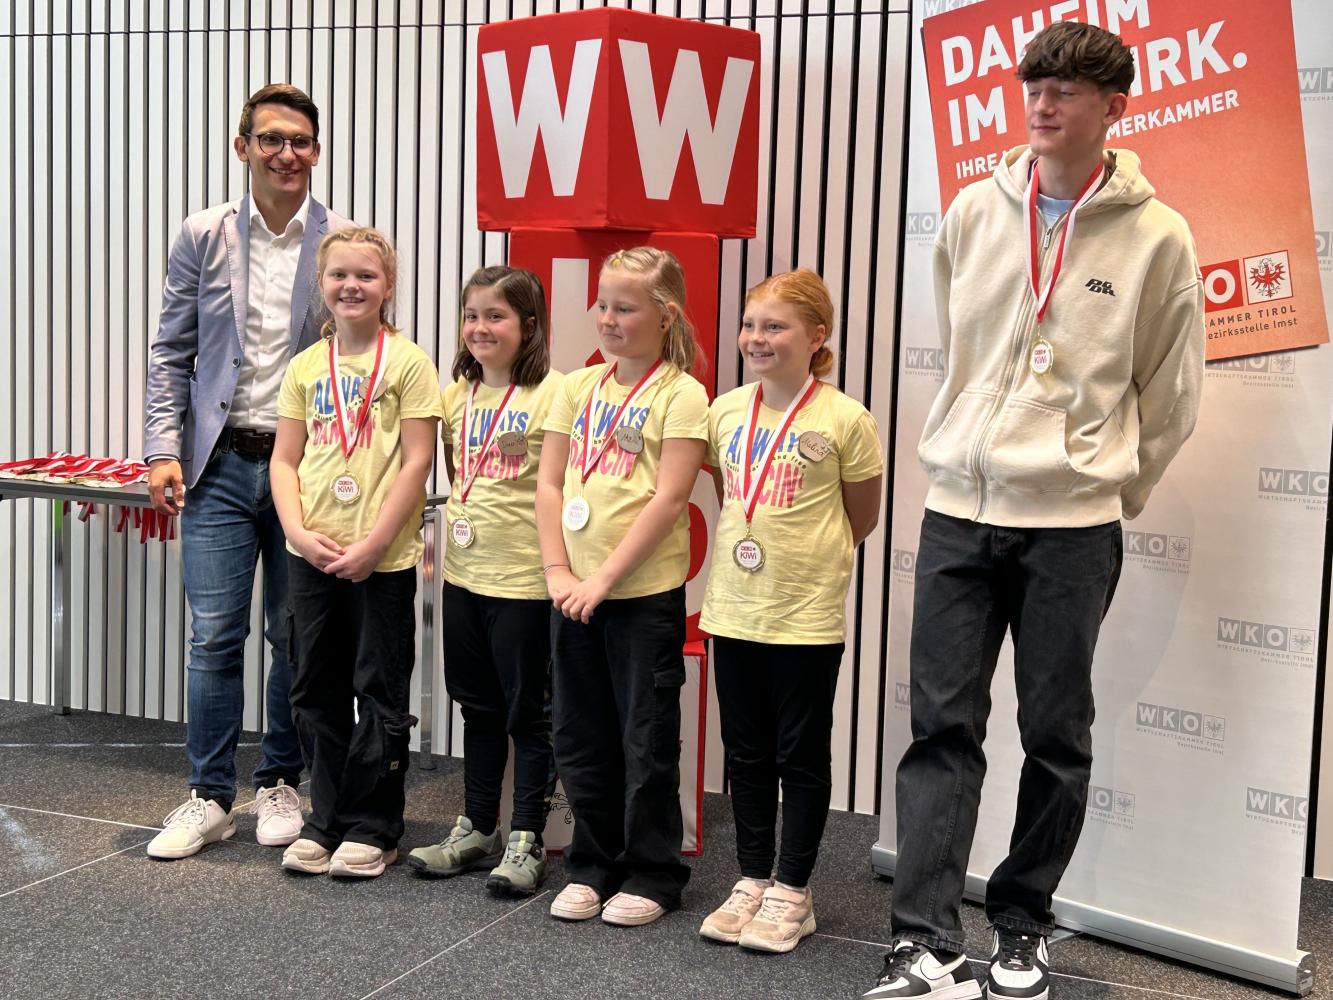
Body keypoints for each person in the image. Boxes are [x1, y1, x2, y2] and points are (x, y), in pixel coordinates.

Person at [860, 22, 1204, 1000]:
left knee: (1055, 735)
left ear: (1114, 107)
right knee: (941, 729)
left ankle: (1021, 923)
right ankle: (925, 942)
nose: (1042, 104)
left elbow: (1172, 390)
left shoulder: (1157, 235)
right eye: (1034, 86)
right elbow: (960, 347)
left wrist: (1105, 483)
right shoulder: (975, 210)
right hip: (959, 512)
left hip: (1072, 527)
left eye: (1066, 90)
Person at [143, 84, 352, 860]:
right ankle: (207, 796)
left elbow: (359, 354)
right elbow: (171, 352)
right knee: (214, 637)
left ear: (316, 152)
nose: (285, 154)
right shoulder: (203, 234)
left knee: (293, 637)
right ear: (243, 148)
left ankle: (279, 780)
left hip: (307, 469)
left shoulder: (339, 240)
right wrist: (162, 448)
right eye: (270, 139)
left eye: (299, 141)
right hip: (220, 465)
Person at [697, 269, 882, 954]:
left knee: (799, 755)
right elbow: (730, 494)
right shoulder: (724, 412)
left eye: (774, 326)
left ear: (816, 336)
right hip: (733, 609)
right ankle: (752, 877)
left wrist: (807, 560)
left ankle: (793, 890)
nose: (756, 337)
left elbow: (861, 516)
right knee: (745, 753)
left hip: (804, 615)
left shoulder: (845, 418)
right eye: (750, 325)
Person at [535, 247, 708, 927]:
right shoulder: (575, 387)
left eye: (624, 308)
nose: (607, 318)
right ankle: (591, 863)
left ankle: (652, 872)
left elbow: (669, 500)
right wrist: (558, 571)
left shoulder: (681, 394)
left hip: (639, 599)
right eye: (602, 305)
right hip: (571, 594)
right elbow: (549, 485)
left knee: (646, 739)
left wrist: (603, 579)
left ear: (665, 316)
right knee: (580, 735)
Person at [269, 227, 442, 878]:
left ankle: (374, 825)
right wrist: (297, 532)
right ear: (321, 284)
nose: (351, 286)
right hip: (311, 555)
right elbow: (285, 461)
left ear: (387, 286)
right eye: (339, 275)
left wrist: (374, 544)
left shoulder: (408, 363)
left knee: (378, 689)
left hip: (382, 559)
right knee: (314, 687)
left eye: (366, 276)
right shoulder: (305, 367)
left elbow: (418, 461)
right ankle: (326, 818)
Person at [406, 267, 563, 896]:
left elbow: (556, 488)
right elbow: (457, 473)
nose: (480, 328)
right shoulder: (455, 396)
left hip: (526, 583)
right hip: (464, 576)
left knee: (530, 713)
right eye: (471, 315)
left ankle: (527, 836)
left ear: (529, 325)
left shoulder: (553, 394)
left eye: (496, 316)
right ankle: (477, 827)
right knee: (478, 706)